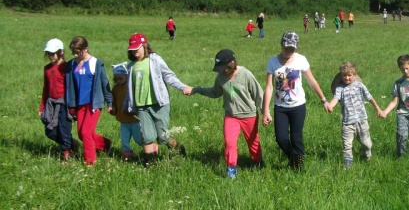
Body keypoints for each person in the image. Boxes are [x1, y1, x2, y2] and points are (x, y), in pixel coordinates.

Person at [191, 49, 264, 178]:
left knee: (252, 141)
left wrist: (265, 112)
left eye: (225, 68)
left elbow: (259, 94)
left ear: (232, 63)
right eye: (220, 69)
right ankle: (231, 170)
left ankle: (258, 162)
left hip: (249, 115)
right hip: (231, 116)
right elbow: (215, 92)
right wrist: (197, 90)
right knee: (229, 142)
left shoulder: (245, 74)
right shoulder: (220, 77)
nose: (223, 71)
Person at [262, 31, 328, 170]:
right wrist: (265, 111)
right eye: (286, 48)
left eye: (292, 49)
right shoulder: (272, 62)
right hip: (280, 107)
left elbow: (312, 81)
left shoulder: (301, 60)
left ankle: (298, 167)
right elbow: (269, 87)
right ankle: (294, 157)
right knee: (281, 139)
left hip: (298, 106)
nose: (288, 51)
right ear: (281, 44)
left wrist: (323, 100)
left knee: (296, 138)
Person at [123, 33, 191, 165]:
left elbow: (168, 75)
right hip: (141, 107)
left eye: (137, 48)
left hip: (159, 104)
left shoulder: (155, 60)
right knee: (146, 137)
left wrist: (182, 87)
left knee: (162, 137)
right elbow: (129, 89)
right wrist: (126, 105)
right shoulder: (131, 66)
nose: (135, 51)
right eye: (132, 49)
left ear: (144, 45)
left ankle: (178, 148)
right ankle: (149, 164)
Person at [325, 62, 383, 169]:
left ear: (354, 75)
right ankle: (348, 167)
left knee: (366, 143)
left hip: (362, 120)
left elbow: (369, 97)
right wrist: (330, 105)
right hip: (347, 122)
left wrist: (378, 109)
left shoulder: (359, 86)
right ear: (341, 76)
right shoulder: (340, 88)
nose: (347, 78)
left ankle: (368, 156)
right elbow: (335, 99)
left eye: (349, 75)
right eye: (344, 75)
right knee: (347, 145)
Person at [65, 36, 112, 166]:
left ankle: (90, 161)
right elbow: (70, 87)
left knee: (86, 132)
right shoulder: (72, 64)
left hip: (93, 104)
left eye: (77, 52)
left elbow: (104, 83)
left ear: (85, 49)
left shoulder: (95, 63)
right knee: (81, 134)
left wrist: (110, 102)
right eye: (73, 52)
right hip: (80, 104)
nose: (75, 55)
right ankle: (105, 144)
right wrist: (71, 106)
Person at [39, 38, 76, 162]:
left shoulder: (67, 67)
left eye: (53, 53)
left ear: (61, 52)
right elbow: (46, 88)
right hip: (51, 104)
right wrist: (42, 107)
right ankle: (72, 143)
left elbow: (73, 87)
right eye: (49, 53)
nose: (51, 56)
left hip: (65, 104)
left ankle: (66, 155)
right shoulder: (47, 69)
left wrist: (73, 107)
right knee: (50, 132)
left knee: (64, 130)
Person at [110, 63, 143, 161]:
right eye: (116, 79)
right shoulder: (115, 88)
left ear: (127, 76)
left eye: (120, 78)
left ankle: (150, 148)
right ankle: (127, 153)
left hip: (135, 119)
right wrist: (113, 108)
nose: (118, 80)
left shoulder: (131, 87)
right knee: (124, 139)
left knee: (138, 139)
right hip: (123, 119)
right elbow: (113, 101)